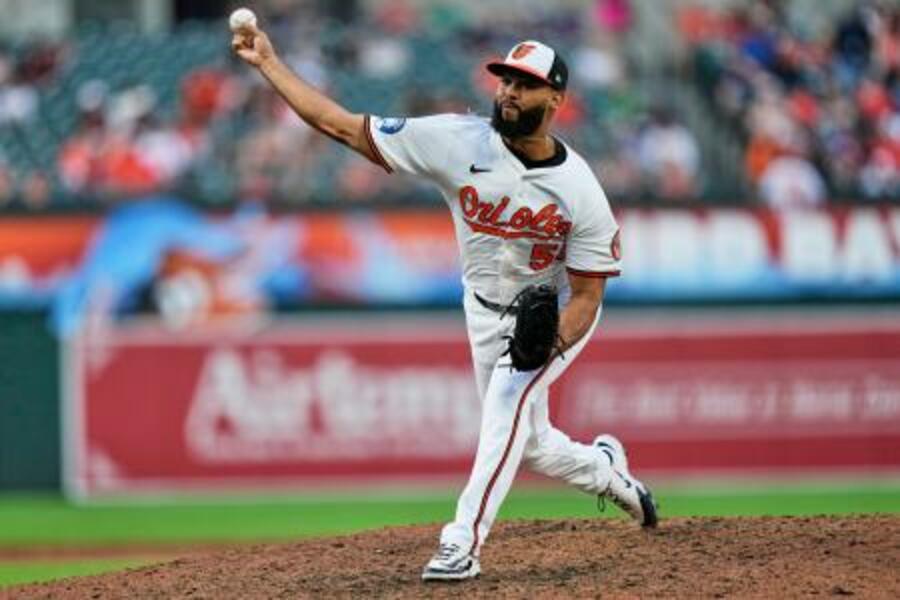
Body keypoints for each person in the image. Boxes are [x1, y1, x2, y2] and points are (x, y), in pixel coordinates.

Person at [232, 24, 658, 582]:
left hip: (552, 315)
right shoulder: (457, 141)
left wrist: (548, 342)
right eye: (506, 80)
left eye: (525, 85)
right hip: (481, 310)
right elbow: (342, 126)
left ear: (556, 98)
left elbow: (587, 295)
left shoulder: (580, 189)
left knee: (506, 401)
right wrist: (270, 64)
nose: (509, 92)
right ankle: (607, 473)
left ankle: (461, 543)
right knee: (530, 445)